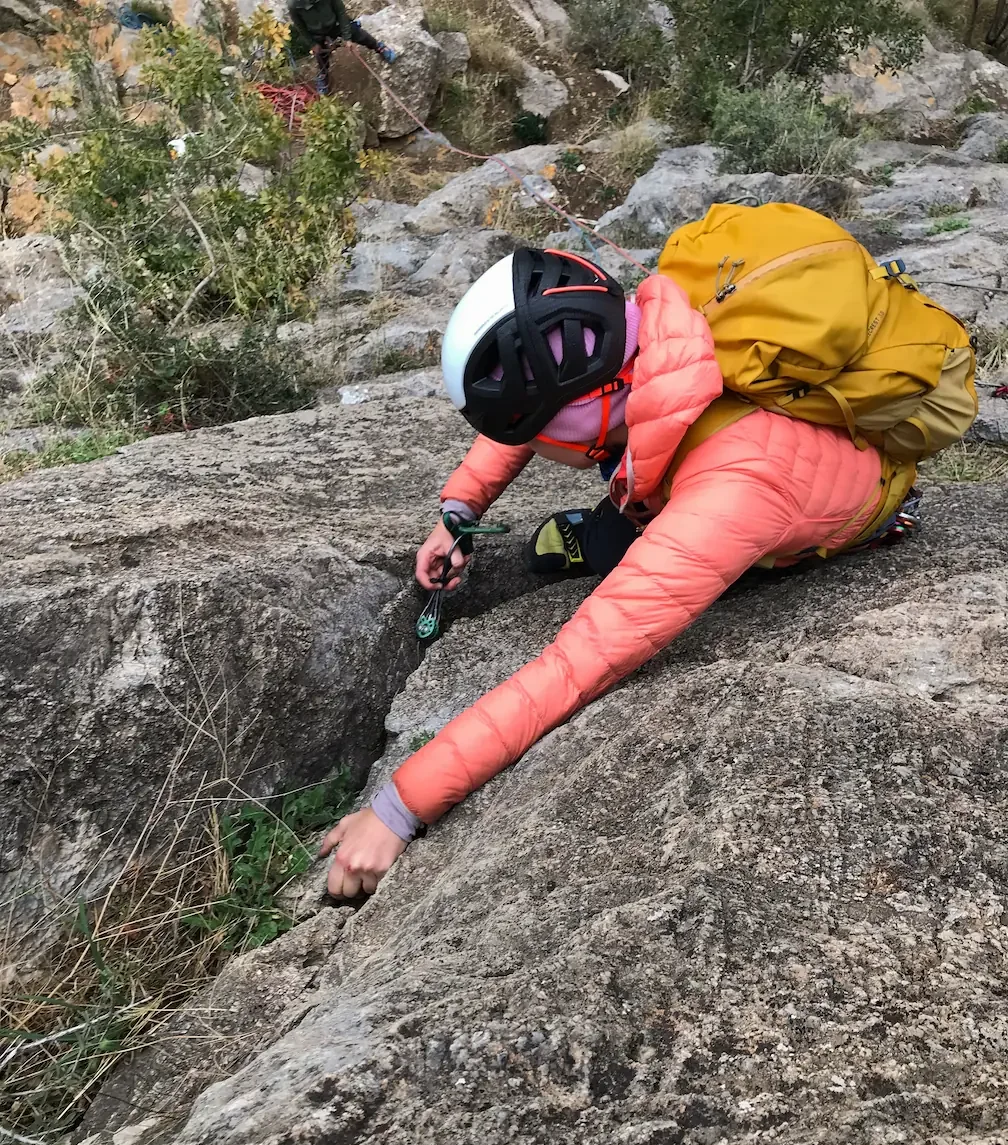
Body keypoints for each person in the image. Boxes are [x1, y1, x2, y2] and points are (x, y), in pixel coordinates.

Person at [319, 245, 952, 897]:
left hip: (821, 498)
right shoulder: (643, 325)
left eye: (536, 436)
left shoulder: (736, 487)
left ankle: (610, 534)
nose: (528, 448)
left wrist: (398, 809)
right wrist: (458, 511)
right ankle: (613, 525)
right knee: (617, 509)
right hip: (705, 451)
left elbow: (578, 663)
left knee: (619, 551)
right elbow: (541, 403)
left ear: (581, 415)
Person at [287, 0, 396, 94]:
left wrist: (347, 38)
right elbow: (300, 27)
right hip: (317, 34)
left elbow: (341, 13)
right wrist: (312, 44)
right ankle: (323, 74)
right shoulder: (294, 5)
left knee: (359, 35)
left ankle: (379, 47)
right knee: (321, 55)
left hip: (336, 24)